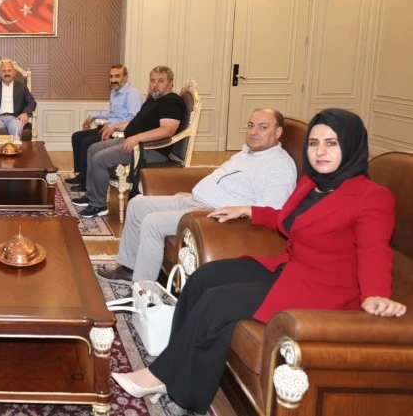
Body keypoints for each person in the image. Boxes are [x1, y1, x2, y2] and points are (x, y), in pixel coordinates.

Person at [111, 108, 407, 416]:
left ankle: (169, 381)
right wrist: (250, 210)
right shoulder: (312, 183)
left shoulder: (372, 197)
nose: (320, 151)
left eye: (331, 143)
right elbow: (290, 219)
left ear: (352, 145)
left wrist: (375, 295)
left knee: (217, 301)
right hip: (291, 268)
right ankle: (176, 365)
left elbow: (374, 252)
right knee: (203, 279)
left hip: (324, 289)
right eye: (314, 143)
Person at [97, 108, 297, 283]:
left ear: (278, 132)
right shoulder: (248, 153)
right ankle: (129, 268)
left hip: (213, 215)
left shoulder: (278, 166)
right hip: (194, 201)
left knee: (152, 222)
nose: (253, 132)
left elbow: (272, 212)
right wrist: (197, 192)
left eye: (263, 127)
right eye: (251, 125)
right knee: (137, 204)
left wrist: (236, 210)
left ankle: (143, 288)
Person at [71, 66, 185, 218]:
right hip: (132, 141)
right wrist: (114, 127)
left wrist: (137, 138)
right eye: (152, 81)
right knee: (93, 149)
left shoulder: (171, 102)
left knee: (99, 159)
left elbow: (167, 130)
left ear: (171, 83)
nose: (155, 85)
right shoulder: (153, 100)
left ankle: (98, 205)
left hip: (149, 149)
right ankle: (91, 196)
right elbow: (134, 122)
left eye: (160, 81)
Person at [66, 64, 143, 193]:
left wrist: (113, 125)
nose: (113, 80)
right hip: (111, 128)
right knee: (77, 137)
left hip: (121, 133)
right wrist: (93, 116)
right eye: (111, 76)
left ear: (126, 78)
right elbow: (112, 113)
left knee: (87, 142)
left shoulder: (132, 94)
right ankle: (82, 174)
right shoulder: (115, 91)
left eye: (117, 76)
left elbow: (134, 120)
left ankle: (86, 183)